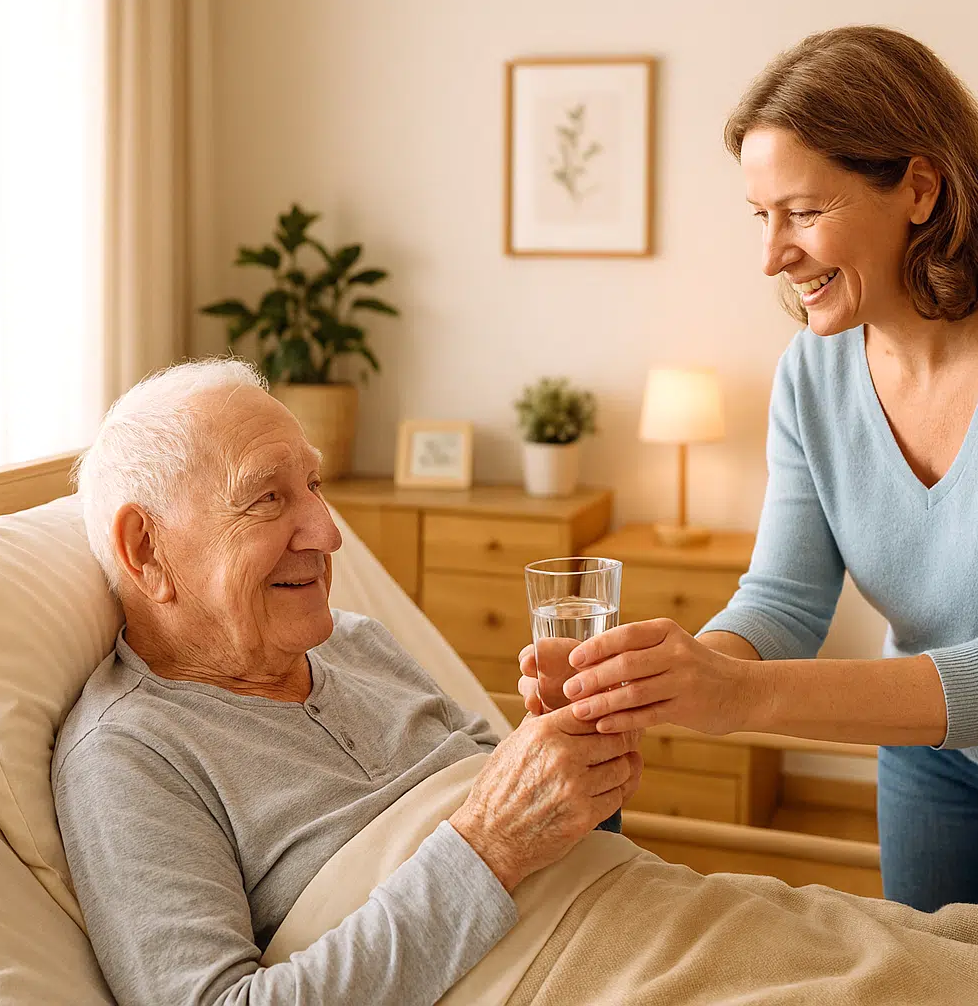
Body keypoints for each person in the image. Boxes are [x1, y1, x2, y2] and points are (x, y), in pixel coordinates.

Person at [521, 25, 978, 946]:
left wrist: (739, 699)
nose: (772, 256)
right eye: (760, 215)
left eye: (804, 211)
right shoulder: (811, 373)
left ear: (918, 187)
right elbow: (783, 600)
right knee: (931, 981)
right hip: (938, 749)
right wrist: (669, 676)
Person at [56, 359, 642, 1006]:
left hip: (652, 922)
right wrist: (489, 848)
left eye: (314, 485)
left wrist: (583, 764)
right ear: (146, 549)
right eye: (268, 497)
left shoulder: (360, 642)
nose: (329, 532)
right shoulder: (129, 754)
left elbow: (564, 843)